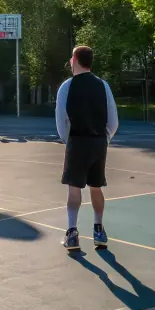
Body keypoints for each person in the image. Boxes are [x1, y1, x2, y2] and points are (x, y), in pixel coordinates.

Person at [55, 45, 119, 252]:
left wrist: (69, 141)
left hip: (77, 141)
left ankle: (72, 233)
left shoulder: (67, 86)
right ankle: (99, 230)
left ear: (74, 60)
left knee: (74, 189)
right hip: (98, 142)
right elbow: (113, 121)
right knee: (96, 186)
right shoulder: (103, 85)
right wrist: (104, 138)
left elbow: (61, 120)